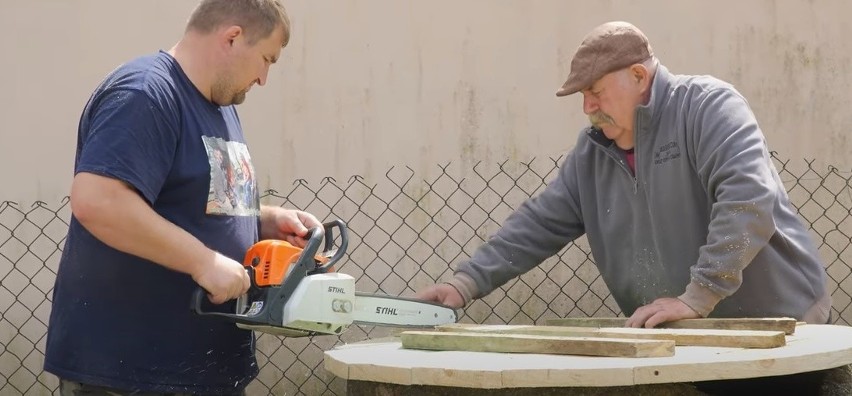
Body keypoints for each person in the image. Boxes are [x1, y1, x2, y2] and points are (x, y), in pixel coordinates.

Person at [416, 21, 831, 329]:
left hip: (783, 334)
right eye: (582, 96)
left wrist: (699, 295)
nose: (587, 107)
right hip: (683, 344)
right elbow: (537, 224)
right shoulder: (590, 154)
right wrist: (465, 283)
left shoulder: (708, 107)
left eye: (595, 90)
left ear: (638, 75)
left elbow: (749, 199)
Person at [43, 1, 320, 395]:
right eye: (266, 59)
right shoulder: (146, 94)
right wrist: (203, 261)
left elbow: (190, 202)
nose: (263, 78)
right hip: (134, 375)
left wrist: (265, 219)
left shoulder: (218, 105)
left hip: (199, 371)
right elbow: (98, 200)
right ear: (233, 37)